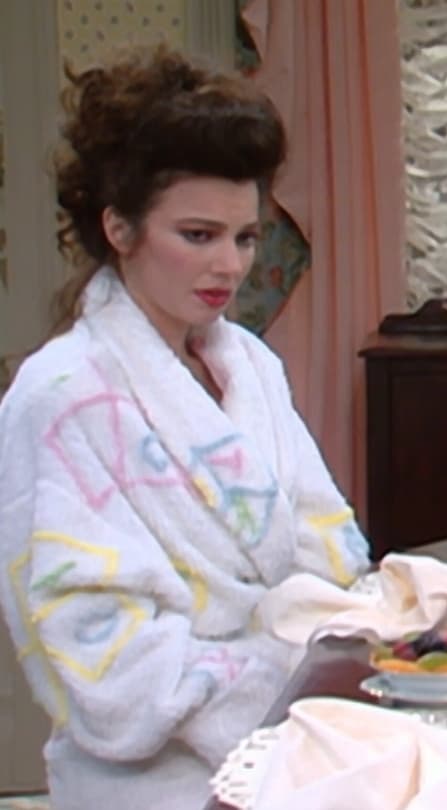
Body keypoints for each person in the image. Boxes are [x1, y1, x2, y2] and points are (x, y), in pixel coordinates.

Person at [0, 46, 370, 808]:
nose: (230, 266)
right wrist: (281, 669)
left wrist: (303, 674)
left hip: (297, 740)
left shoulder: (253, 370)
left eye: (245, 237)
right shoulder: (60, 396)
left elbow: (331, 549)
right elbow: (106, 652)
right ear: (119, 227)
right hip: (153, 780)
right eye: (198, 236)